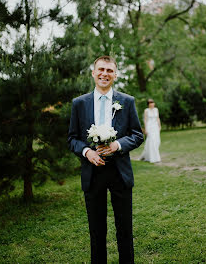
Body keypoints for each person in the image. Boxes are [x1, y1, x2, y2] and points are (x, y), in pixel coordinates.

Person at [68, 56, 144, 263]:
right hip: (92, 174)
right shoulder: (79, 103)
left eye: (109, 71)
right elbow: (72, 138)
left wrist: (117, 145)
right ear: (93, 73)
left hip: (120, 172)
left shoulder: (127, 102)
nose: (104, 74)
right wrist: (87, 152)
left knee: (125, 231)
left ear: (115, 75)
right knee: (97, 232)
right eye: (101, 69)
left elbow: (137, 135)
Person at [139, 98, 161, 163]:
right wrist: (146, 129)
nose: (151, 104)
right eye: (150, 103)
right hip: (150, 127)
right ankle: (154, 158)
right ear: (148, 104)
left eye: (152, 103)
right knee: (151, 141)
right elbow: (145, 120)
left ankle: (147, 155)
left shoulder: (156, 109)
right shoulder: (146, 110)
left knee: (157, 141)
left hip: (155, 127)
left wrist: (159, 126)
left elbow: (158, 118)